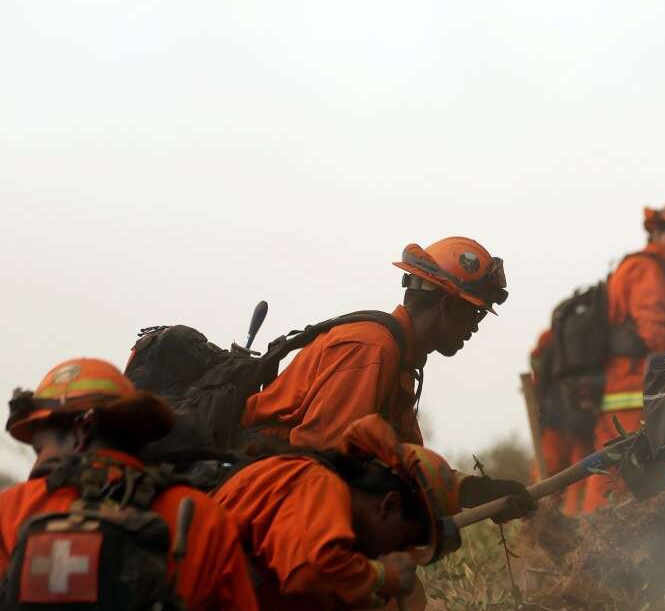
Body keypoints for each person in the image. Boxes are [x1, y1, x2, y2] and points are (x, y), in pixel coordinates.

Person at [239, 236, 534, 521]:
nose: (476, 328)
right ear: (447, 307)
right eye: (476, 315)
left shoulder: (401, 361)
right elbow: (323, 465)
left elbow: (407, 462)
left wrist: (476, 492)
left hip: (287, 497)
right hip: (260, 502)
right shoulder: (371, 349)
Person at [0, 358, 257, 610]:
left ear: (81, 431)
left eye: (40, 449)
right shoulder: (203, 517)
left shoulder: (12, 508)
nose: (36, 466)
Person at [213, 414, 460, 610]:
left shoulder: (332, 528)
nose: (401, 553)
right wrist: (382, 576)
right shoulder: (318, 484)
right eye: (405, 540)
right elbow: (310, 572)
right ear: (390, 505)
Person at [581, 201, 665, 512]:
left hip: (630, 385)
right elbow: (656, 330)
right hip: (631, 389)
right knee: (622, 468)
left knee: (628, 470)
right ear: (656, 232)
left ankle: (610, 538)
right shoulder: (647, 270)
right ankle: (600, 540)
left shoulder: (654, 269)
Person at [529, 329, 590, 514]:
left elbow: (538, 375)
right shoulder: (595, 325)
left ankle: (543, 524)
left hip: (554, 420)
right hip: (582, 418)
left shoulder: (552, 333)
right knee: (580, 474)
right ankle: (577, 526)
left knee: (547, 479)